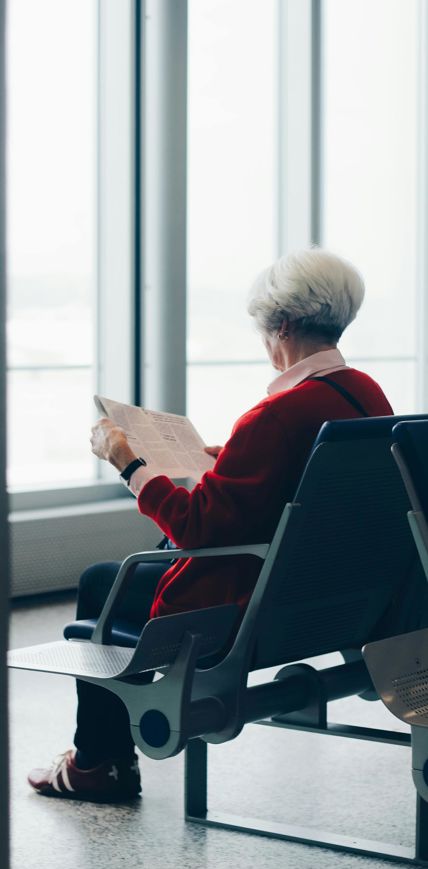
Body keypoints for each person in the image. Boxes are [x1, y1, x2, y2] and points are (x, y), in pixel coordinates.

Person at [28, 247, 393, 801]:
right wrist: (231, 461)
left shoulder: (274, 416)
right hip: (332, 604)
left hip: (248, 607)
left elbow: (198, 528)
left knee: (104, 583)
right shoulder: (366, 395)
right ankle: (96, 758)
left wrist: (128, 463)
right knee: (127, 574)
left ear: (285, 326)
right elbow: (304, 483)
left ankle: (97, 763)